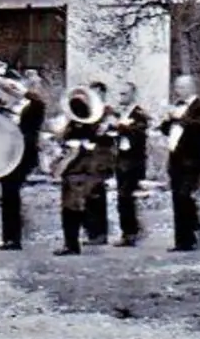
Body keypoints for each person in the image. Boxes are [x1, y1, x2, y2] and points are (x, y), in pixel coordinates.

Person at [0, 63, 44, 251]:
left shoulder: (36, 104)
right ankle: (11, 237)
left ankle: (13, 238)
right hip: (12, 151)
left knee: (11, 192)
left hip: (24, 153)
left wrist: (27, 85)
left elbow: (32, 97)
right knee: (9, 193)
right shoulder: (18, 105)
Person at [160, 75, 200, 252]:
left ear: (191, 87)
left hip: (192, 161)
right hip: (175, 160)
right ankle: (181, 241)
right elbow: (166, 130)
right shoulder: (177, 106)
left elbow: (197, 128)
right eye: (176, 87)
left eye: (181, 87)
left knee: (184, 196)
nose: (177, 91)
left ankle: (193, 230)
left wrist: (179, 117)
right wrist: (168, 118)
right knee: (177, 200)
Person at [53, 101, 108, 256]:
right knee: (74, 209)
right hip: (82, 172)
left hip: (76, 172)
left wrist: (59, 169)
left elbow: (71, 150)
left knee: (70, 210)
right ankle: (73, 242)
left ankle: (71, 244)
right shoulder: (90, 128)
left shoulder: (78, 129)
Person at [109, 82, 151, 246]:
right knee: (123, 197)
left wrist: (121, 127)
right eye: (120, 94)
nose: (121, 97)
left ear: (133, 94)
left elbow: (139, 134)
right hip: (121, 158)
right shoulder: (121, 113)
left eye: (124, 94)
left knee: (125, 196)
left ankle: (130, 233)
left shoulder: (139, 114)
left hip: (133, 160)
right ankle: (130, 230)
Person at [82, 80, 114, 245]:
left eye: (96, 93)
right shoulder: (86, 112)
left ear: (102, 94)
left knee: (96, 195)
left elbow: (108, 135)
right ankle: (91, 232)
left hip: (101, 158)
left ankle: (100, 234)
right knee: (87, 196)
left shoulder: (107, 112)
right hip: (87, 159)